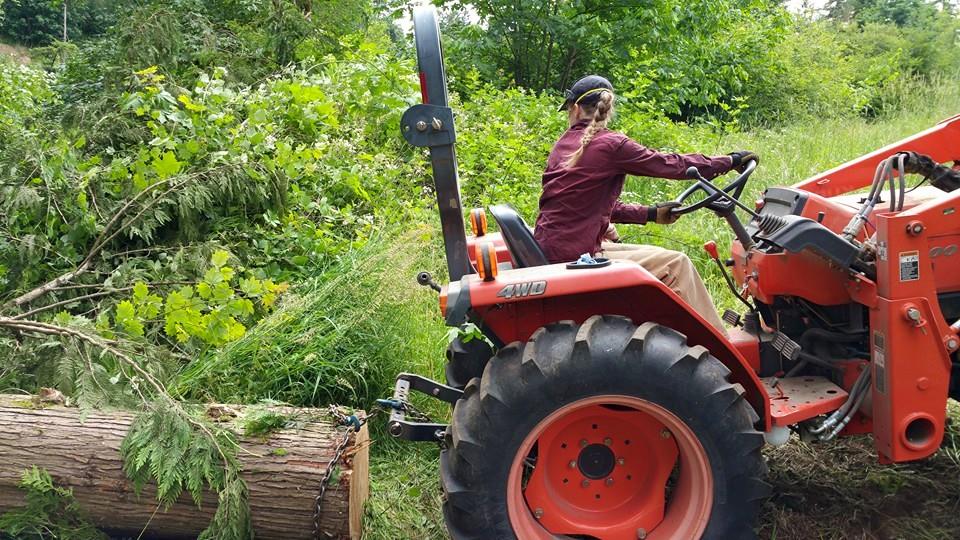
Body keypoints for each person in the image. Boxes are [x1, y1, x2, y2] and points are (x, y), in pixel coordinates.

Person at [533, 75, 758, 332]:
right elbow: (671, 165)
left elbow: (589, 205)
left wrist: (650, 214)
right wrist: (729, 161)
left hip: (558, 245)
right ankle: (725, 352)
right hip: (576, 254)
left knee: (652, 256)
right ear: (609, 107)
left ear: (574, 108)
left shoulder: (563, 145)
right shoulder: (611, 144)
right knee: (677, 265)